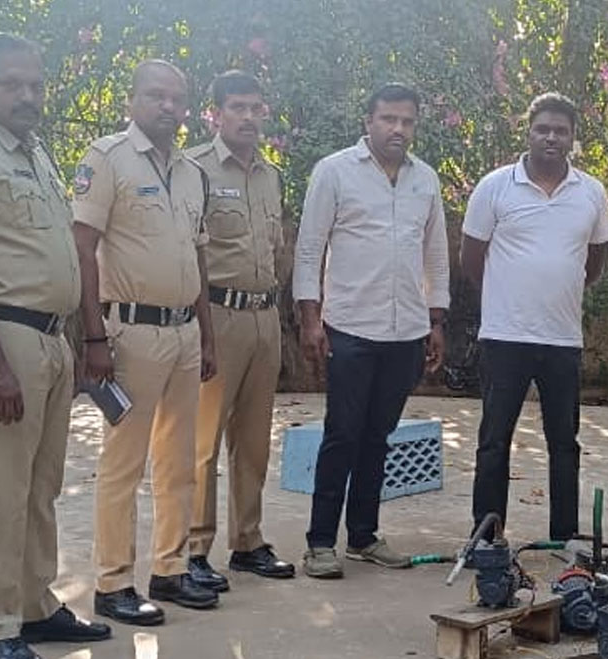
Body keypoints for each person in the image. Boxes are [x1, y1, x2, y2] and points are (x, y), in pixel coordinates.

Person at [0, 34, 111, 659]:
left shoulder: (36, 153)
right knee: (3, 491)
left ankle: (36, 604)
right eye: (13, 84)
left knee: (41, 486)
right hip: (4, 336)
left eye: (35, 85)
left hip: (49, 340)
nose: (28, 96)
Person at [73, 59, 219, 624]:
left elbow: (198, 259)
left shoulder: (190, 172)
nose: (168, 107)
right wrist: (93, 336)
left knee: (179, 460)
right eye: (156, 96)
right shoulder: (107, 159)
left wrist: (206, 335)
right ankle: (112, 583)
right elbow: (83, 248)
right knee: (124, 464)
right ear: (132, 100)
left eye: (177, 99)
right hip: (128, 332)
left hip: (184, 332)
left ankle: (170, 569)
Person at [292, 83, 450, 579]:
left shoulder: (425, 180)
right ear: (368, 121)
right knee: (342, 434)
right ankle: (320, 542)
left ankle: (362, 536)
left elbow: (437, 255)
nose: (397, 129)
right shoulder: (335, 172)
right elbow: (308, 249)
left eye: (407, 121)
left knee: (379, 437)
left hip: (406, 330)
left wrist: (436, 320)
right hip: (351, 330)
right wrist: (311, 319)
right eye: (388, 119)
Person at [461, 92, 608, 542]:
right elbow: (472, 258)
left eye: (560, 131)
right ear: (527, 131)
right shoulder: (495, 187)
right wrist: (509, 297)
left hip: (563, 339)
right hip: (504, 336)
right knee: (494, 440)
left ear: (572, 139)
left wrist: (555, 289)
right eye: (542, 128)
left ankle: (564, 536)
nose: (551, 137)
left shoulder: (591, 192)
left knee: (564, 443)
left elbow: (595, 261)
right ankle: (487, 536)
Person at [184, 70, 293, 587]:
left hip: (263, 318)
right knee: (202, 440)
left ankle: (248, 542)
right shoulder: (195, 170)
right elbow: (190, 253)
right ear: (217, 114)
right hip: (218, 317)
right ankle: (194, 549)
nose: (248, 117)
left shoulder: (270, 175)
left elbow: (276, 251)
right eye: (237, 107)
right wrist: (201, 331)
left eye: (256, 108)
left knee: (253, 442)